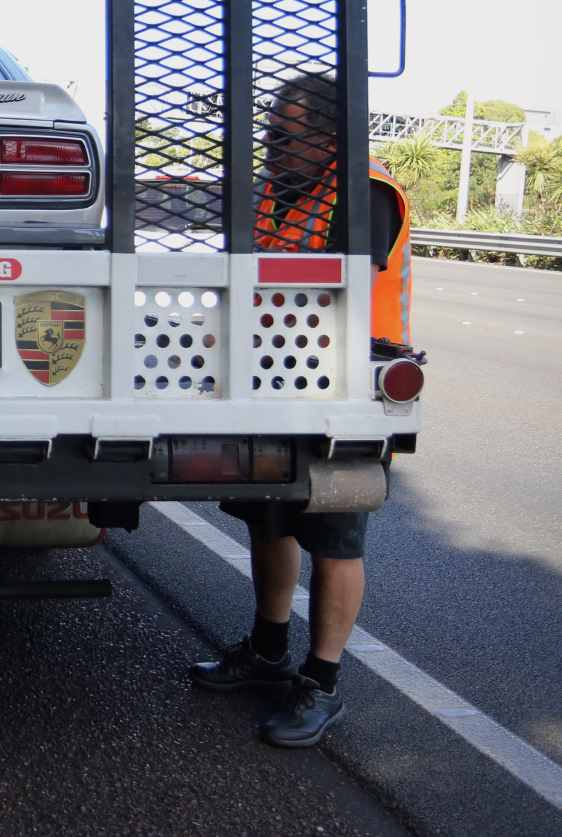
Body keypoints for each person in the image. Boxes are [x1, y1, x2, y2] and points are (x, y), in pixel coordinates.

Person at [188, 72, 413, 748]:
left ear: (326, 134)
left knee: (335, 537)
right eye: (268, 132)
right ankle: (266, 650)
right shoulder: (278, 193)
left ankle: (320, 684)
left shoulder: (362, 191)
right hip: (275, 381)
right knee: (269, 518)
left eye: (283, 134)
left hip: (344, 390)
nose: (270, 145)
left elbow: (342, 284)